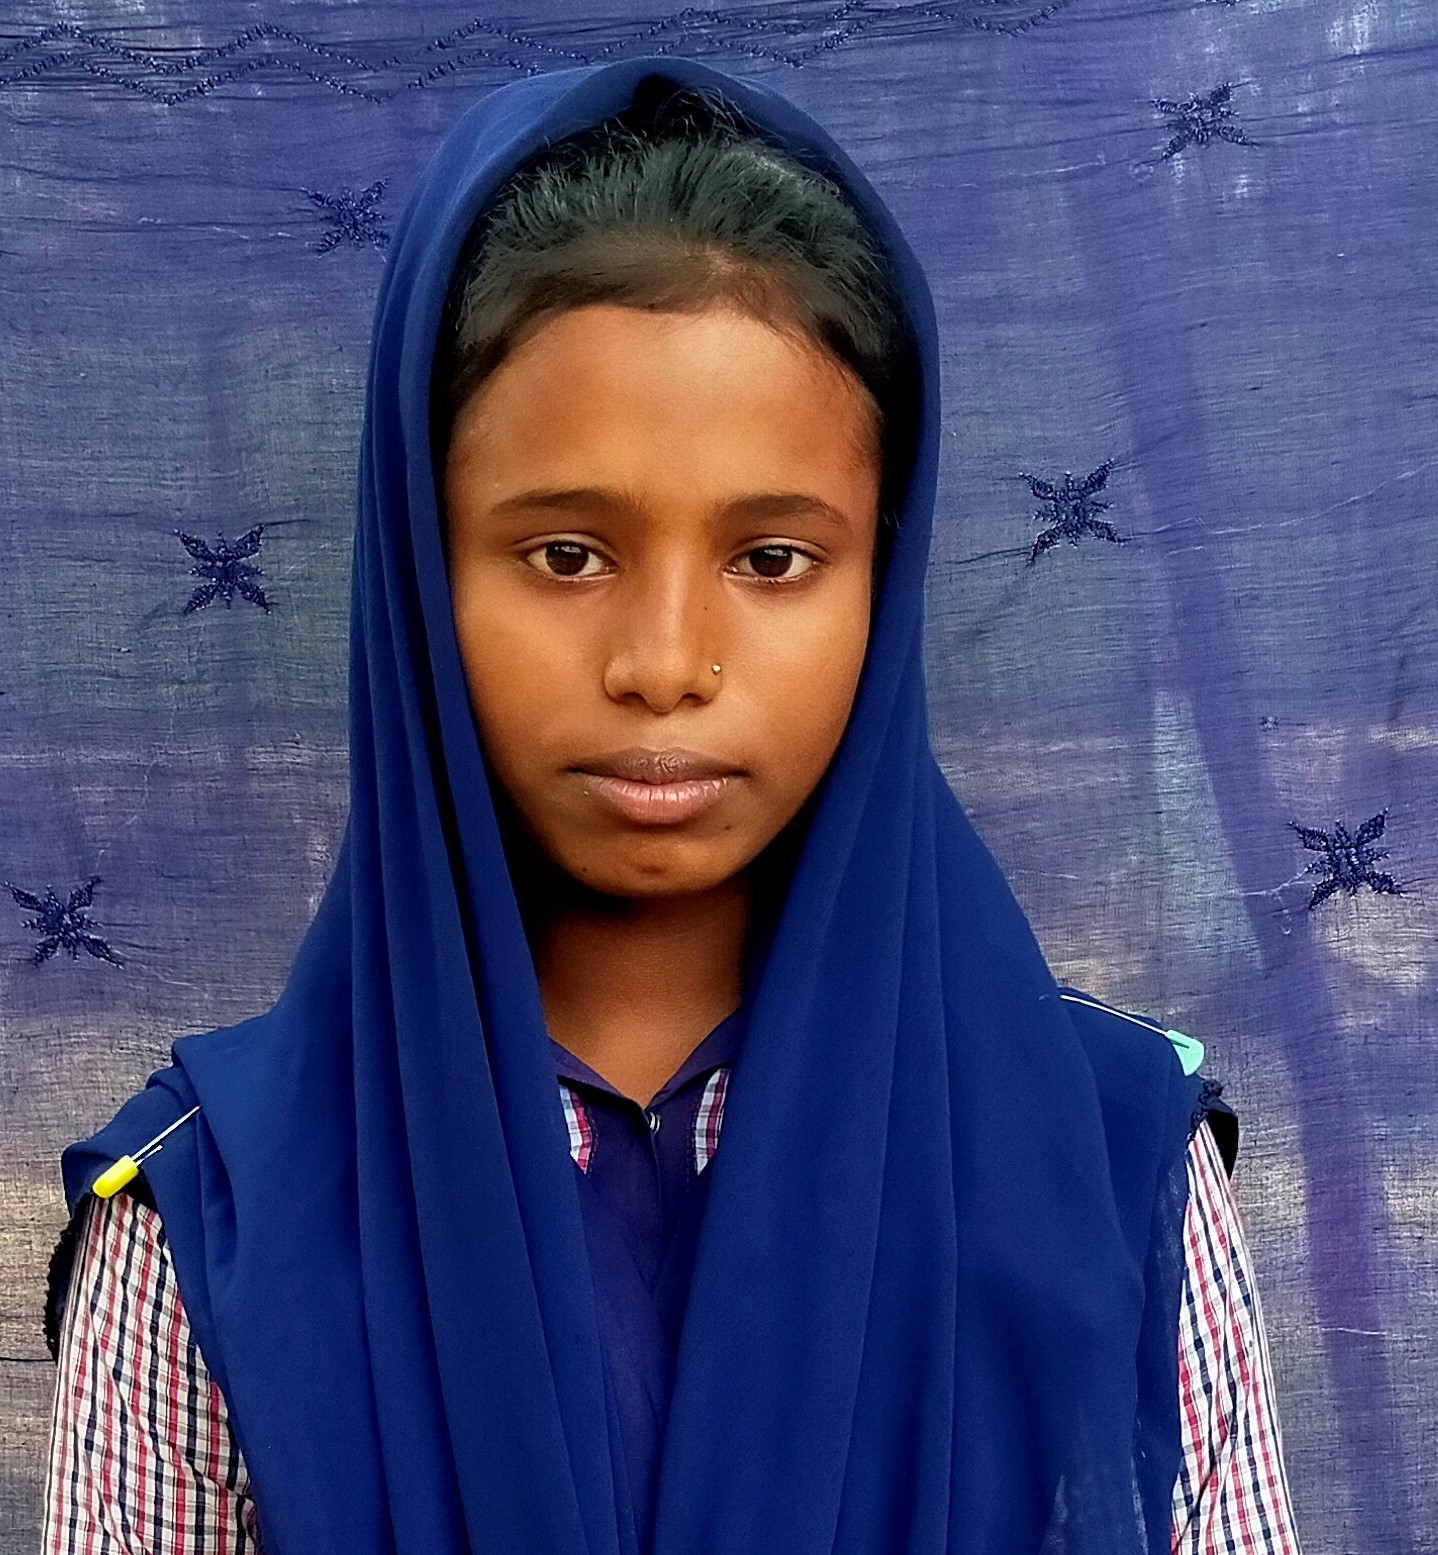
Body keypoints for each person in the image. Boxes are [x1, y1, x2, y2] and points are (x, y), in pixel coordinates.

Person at [40, 55, 1301, 1555]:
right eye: (566, 555)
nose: (662, 663)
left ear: (882, 579)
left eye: (772, 560)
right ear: (421, 572)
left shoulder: (1109, 1160)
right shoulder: (209, 1215)